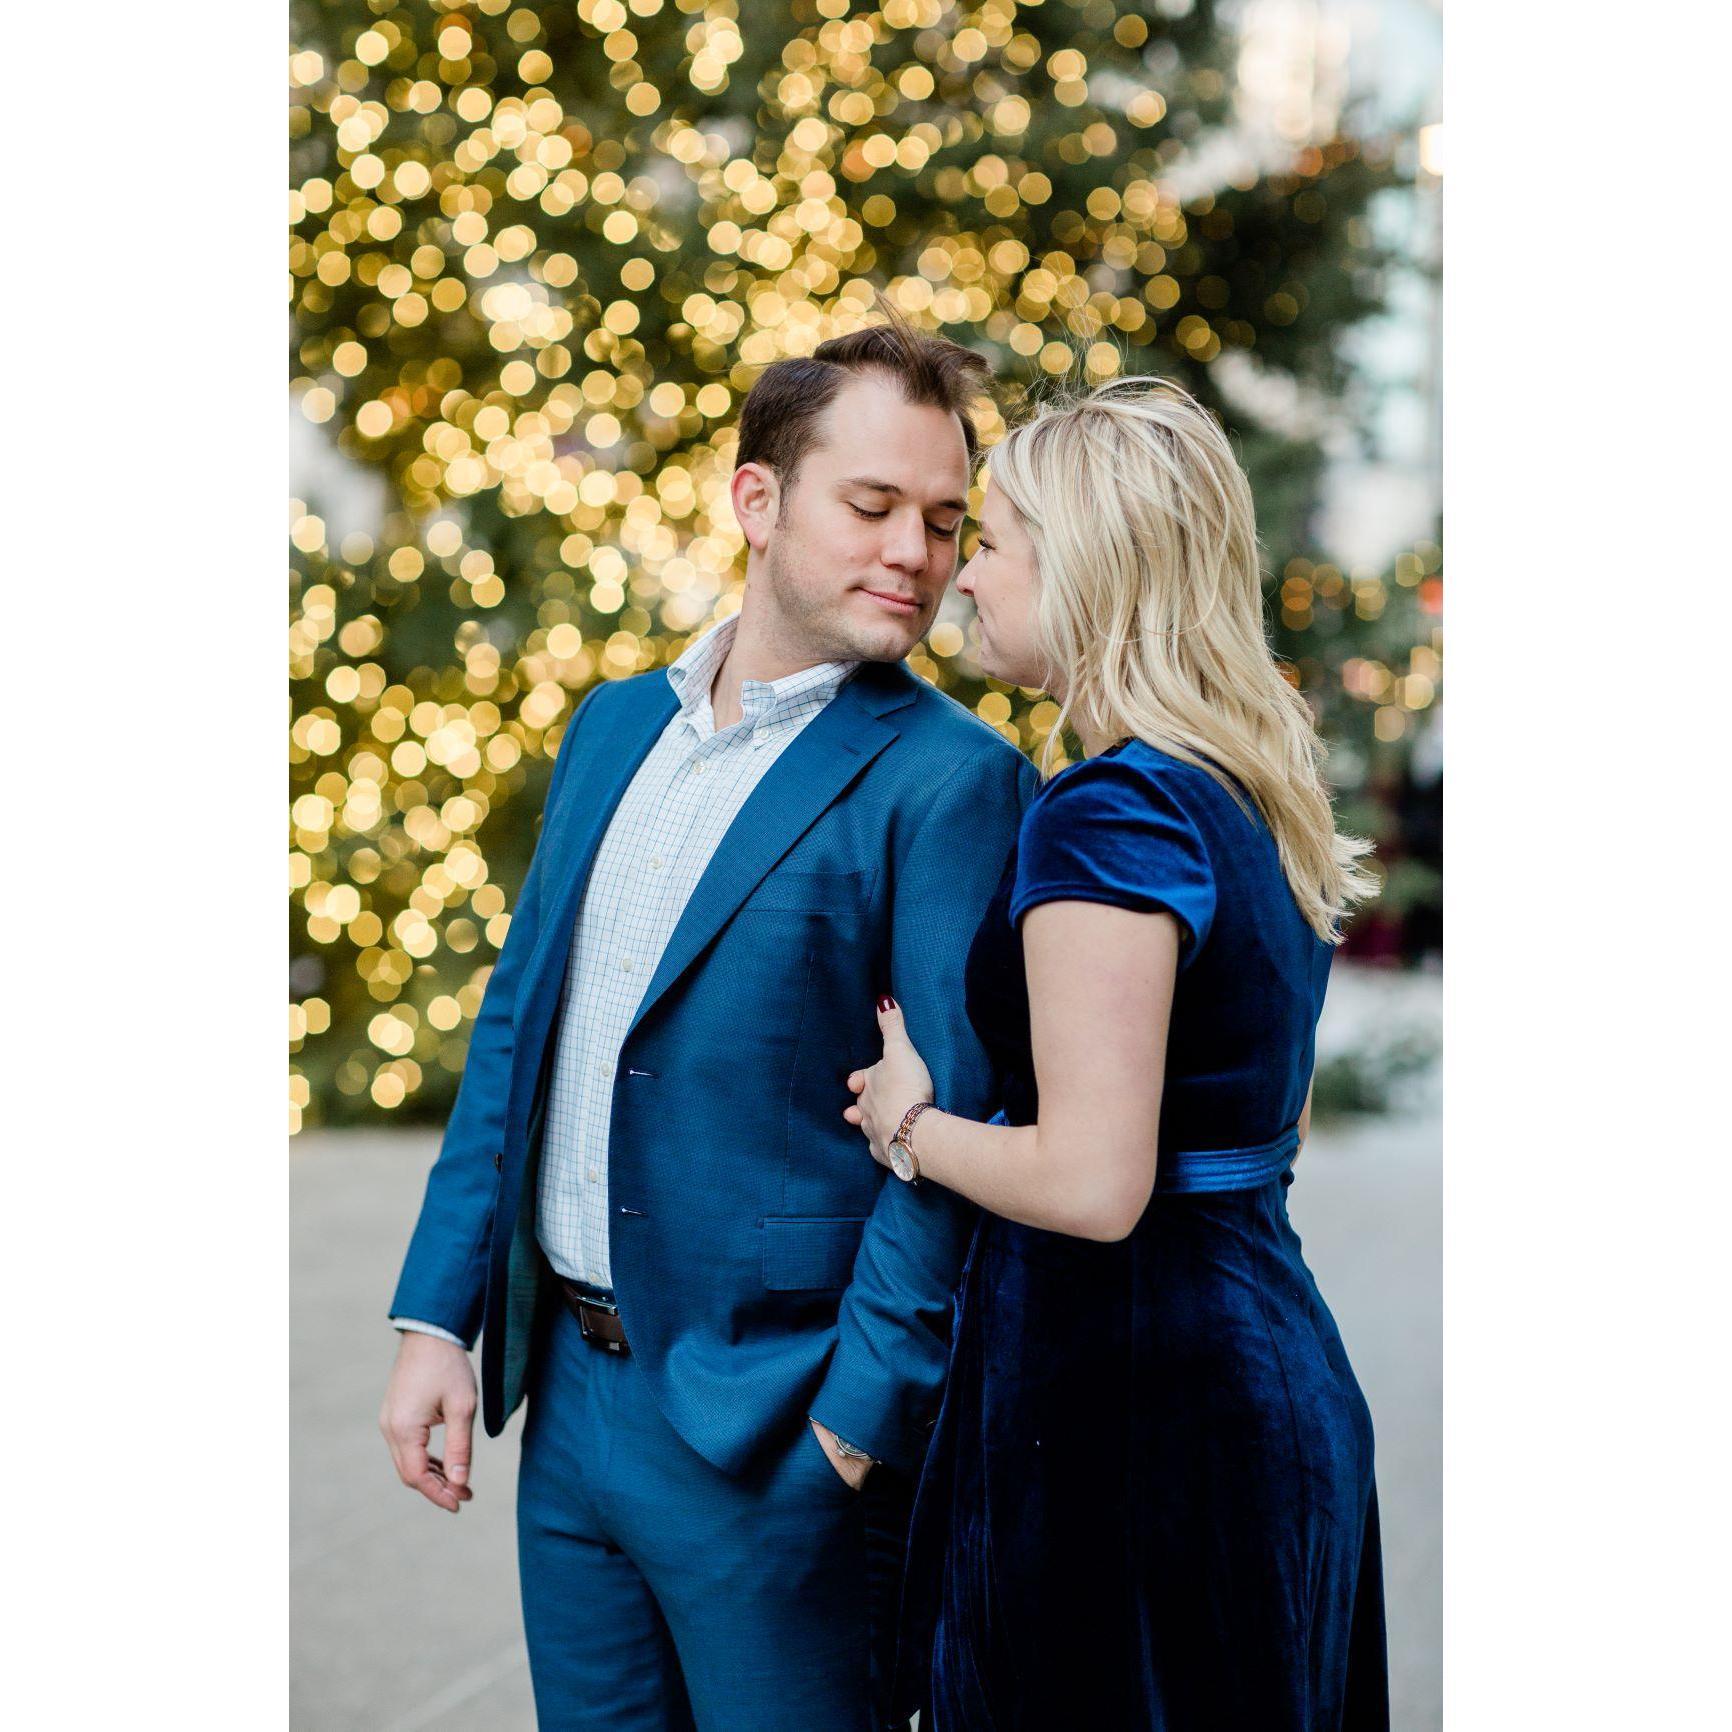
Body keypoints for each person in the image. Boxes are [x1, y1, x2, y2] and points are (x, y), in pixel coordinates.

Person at [378, 318, 1036, 1732]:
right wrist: (439, 1317)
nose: (915, 555)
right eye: (872, 506)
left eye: (944, 522)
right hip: (568, 1409)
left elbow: (956, 1130)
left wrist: (853, 1429)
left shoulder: (955, 781)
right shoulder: (616, 726)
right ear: (757, 498)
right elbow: (521, 1029)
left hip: (777, 1435)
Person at [846, 378, 1391, 1729]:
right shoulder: (1240, 789)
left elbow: (1096, 1185)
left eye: (992, 542)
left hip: (1136, 1411)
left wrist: (911, 1126)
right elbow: (1268, 1125)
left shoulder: (1110, 812)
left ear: (1084, 568)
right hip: (1247, 1369)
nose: (965, 574)